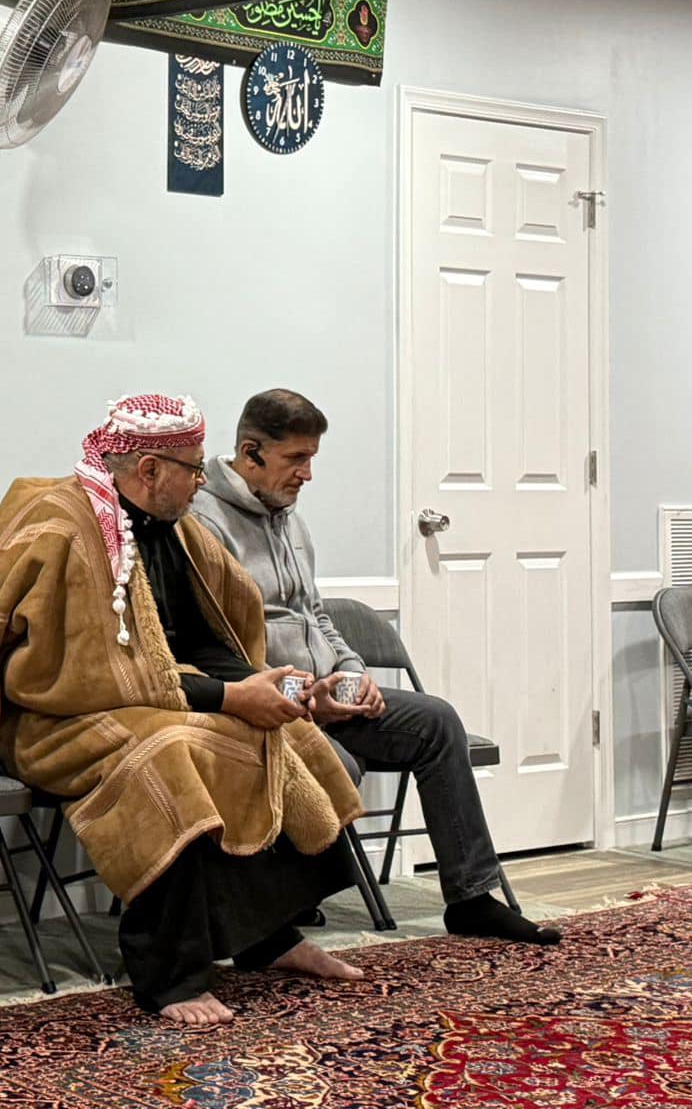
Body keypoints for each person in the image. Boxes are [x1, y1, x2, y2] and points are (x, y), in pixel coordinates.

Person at [0, 393, 367, 1027]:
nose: (203, 481)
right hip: (54, 720)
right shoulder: (59, 523)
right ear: (151, 469)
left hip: (158, 702)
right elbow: (86, 673)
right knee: (171, 755)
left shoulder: (176, 530)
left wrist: (266, 686)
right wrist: (229, 697)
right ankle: (170, 975)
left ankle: (269, 937)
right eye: (193, 468)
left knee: (279, 733)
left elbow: (209, 639)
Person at [193, 389, 557, 944]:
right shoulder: (202, 524)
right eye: (296, 458)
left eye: (312, 458)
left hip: (325, 695)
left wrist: (354, 673)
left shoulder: (289, 518)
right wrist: (304, 695)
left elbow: (315, 614)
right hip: (268, 705)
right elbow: (220, 645)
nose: (308, 474)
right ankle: (282, 903)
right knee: (336, 761)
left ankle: (472, 898)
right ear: (250, 453)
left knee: (437, 721)